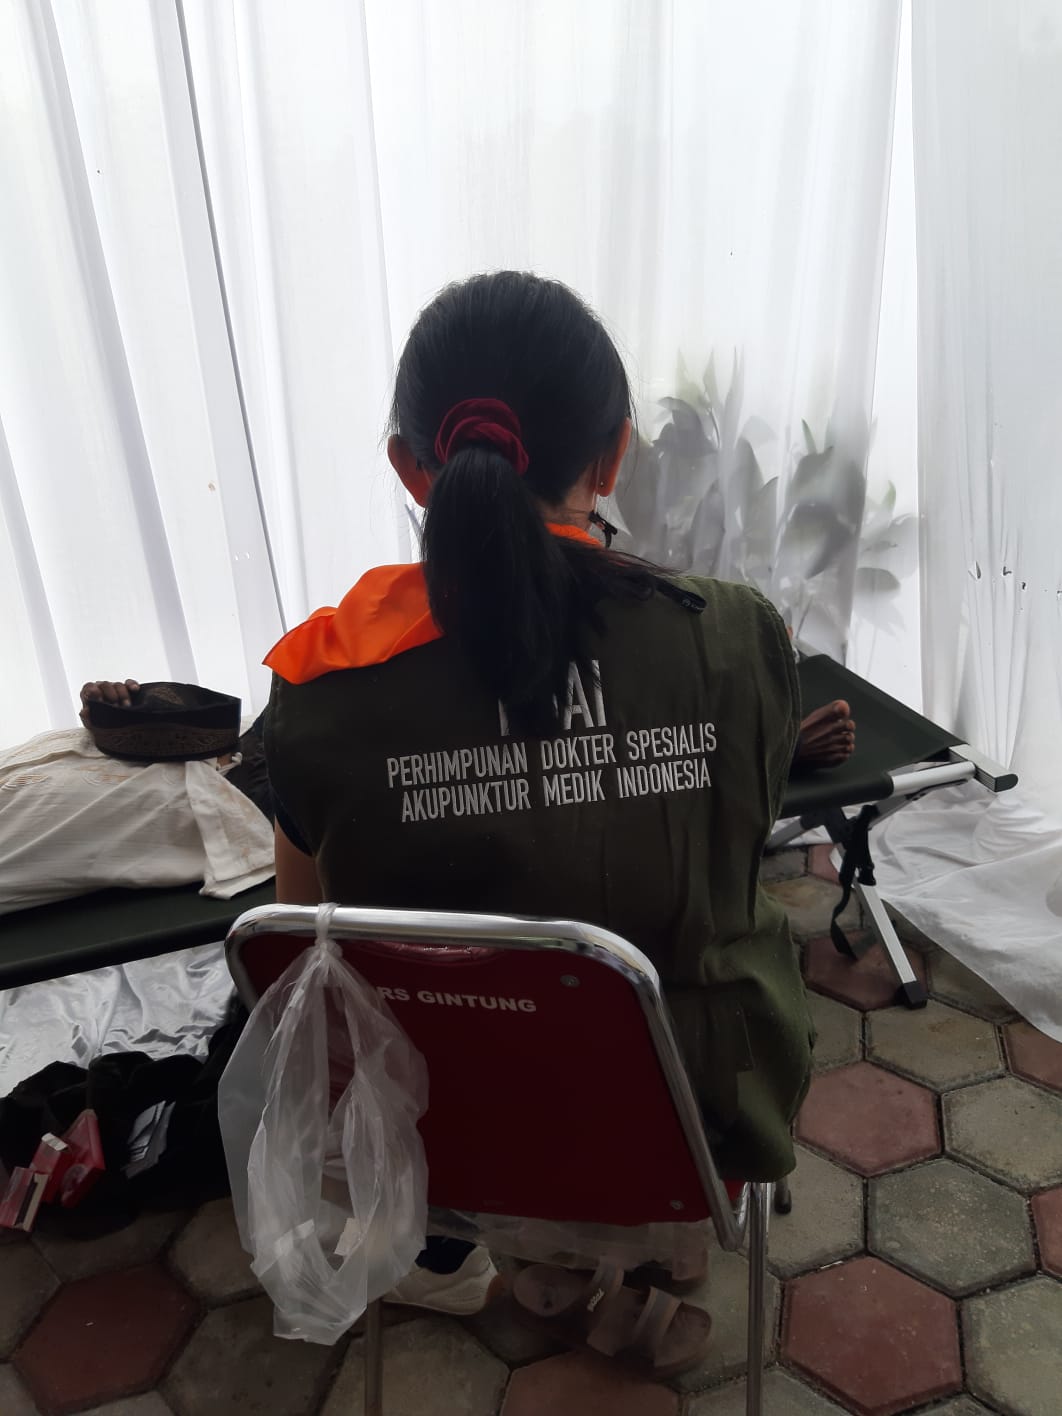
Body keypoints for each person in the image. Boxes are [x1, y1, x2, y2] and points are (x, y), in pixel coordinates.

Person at [263, 272, 816, 1338]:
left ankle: (523, 1267)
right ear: (613, 457)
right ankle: (653, 1258)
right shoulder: (735, 641)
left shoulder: (322, 692)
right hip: (692, 1128)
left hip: (444, 1142)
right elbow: (730, 855)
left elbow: (306, 943)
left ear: (409, 468)